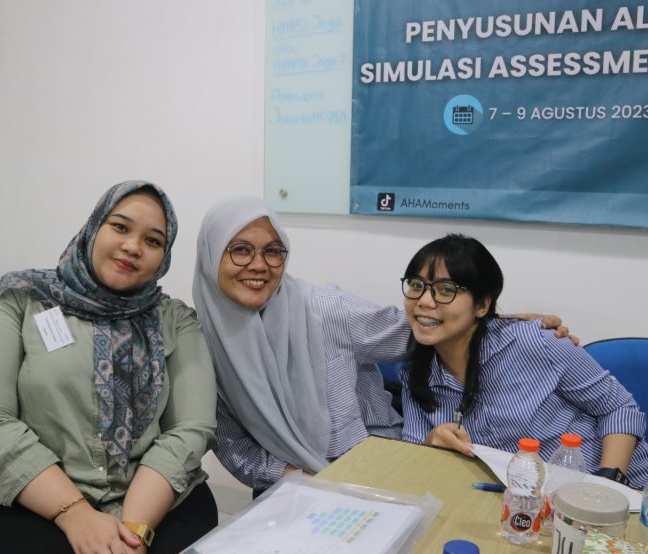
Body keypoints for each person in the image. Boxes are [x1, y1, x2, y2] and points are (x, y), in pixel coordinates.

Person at [191, 197, 571, 493]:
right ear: (211, 255)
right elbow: (235, 448)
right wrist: (306, 481)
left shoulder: (323, 310)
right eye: (240, 249)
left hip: (374, 468)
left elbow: (422, 327)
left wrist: (493, 320)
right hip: (290, 483)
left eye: (273, 250)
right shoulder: (200, 343)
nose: (259, 265)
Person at [0, 181, 218, 554]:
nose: (133, 246)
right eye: (120, 227)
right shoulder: (18, 299)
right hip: (24, 495)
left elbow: (192, 428)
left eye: (153, 240)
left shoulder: (174, 319)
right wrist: (75, 514)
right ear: (94, 228)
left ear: (164, 256)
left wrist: (134, 531)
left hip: (151, 498)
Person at [399, 233, 648, 488]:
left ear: (482, 305)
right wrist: (432, 441)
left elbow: (618, 408)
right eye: (417, 285)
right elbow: (412, 458)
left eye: (446, 290)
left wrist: (607, 482)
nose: (424, 301)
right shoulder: (416, 377)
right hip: (529, 501)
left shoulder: (538, 341)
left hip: (630, 487)